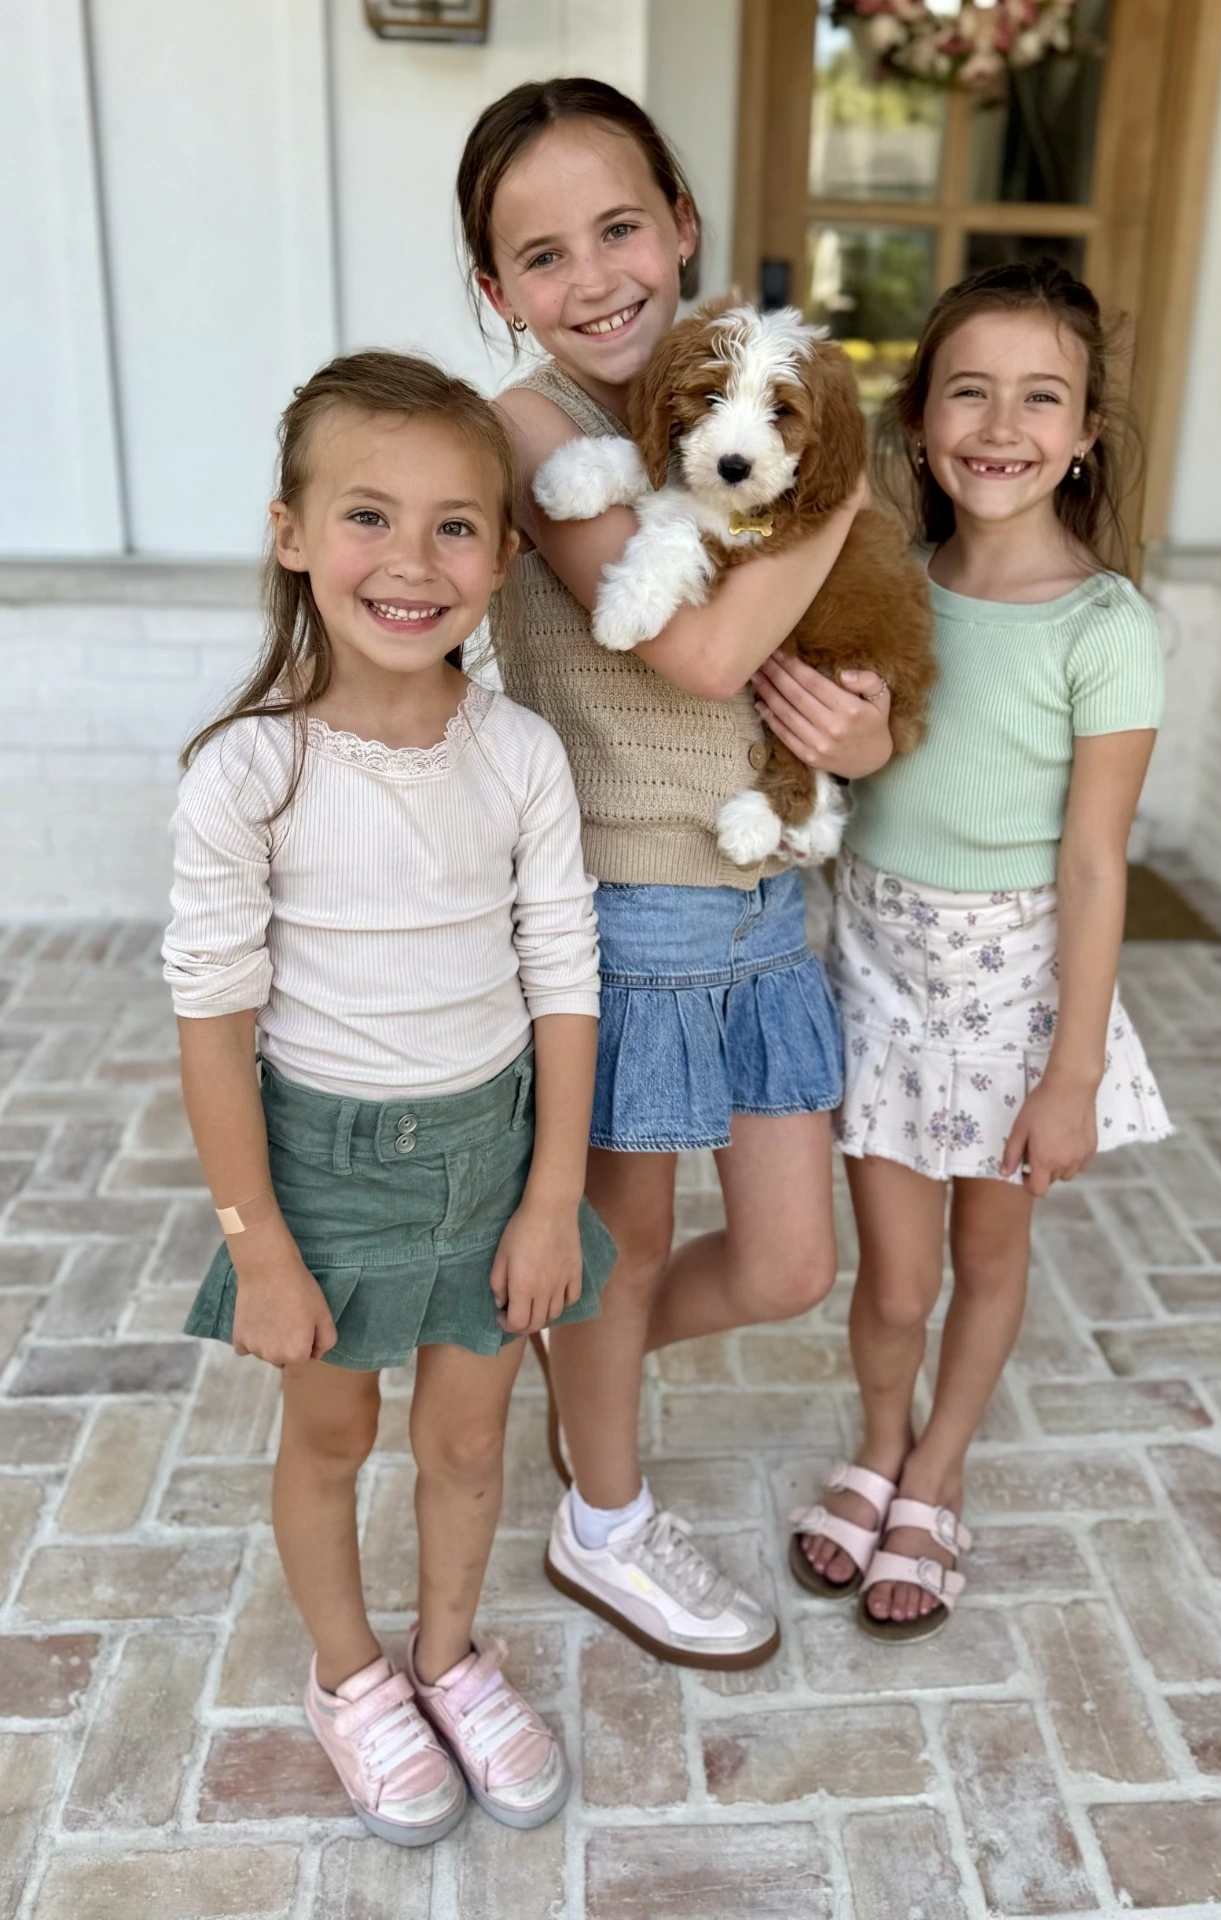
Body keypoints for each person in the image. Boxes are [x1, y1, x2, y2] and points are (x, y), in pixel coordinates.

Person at [456, 78, 893, 1669]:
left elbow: (810, 674)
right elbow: (701, 648)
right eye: (544, 255)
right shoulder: (529, 431)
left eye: (622, 226)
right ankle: (606, 1518)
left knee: (787, 1262)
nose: (599, 277)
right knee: (620, 1242)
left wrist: (857, 732)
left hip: (764, 892)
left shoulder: (735, 389)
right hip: (622, 912)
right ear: (498, 292)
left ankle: (586, 1384)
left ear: (685, 224)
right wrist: (838, 493)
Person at [164, 351, 613, 1840]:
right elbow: (215, 1025)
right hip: (321, 1168)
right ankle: (352, 1677)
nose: (411, 564)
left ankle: (447, 1657)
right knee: (334, 1438)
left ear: (502, 551)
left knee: (470, 1440)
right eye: (367, 516)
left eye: (455, 526)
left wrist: (554, 1195)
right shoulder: (250, 776)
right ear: (291, 532)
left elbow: (563, 975)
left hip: (492, 1155)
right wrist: (257, 1246)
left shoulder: (522, 755)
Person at [791, 261, 1173, 1642]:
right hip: (883, 966)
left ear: (1082, 436)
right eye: (970, 389)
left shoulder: (1106, 627)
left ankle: (940, 1471)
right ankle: (879, 1440)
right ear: (916, 420)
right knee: (893, 1273)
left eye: (1042, 396)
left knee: (988, 1254)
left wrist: (1072, 1072)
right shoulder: (881, 584)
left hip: (1018, 989)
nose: (1001, 424)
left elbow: (1091, 861)